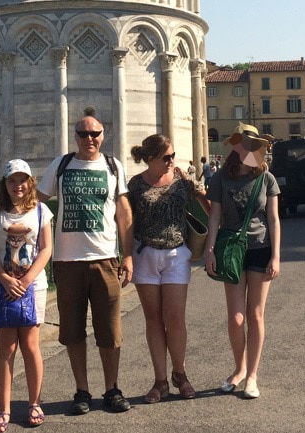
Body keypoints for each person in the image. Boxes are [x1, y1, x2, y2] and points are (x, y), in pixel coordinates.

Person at [37, 113, 134, 415]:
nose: (89, 139)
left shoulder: (113, 166)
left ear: (104, 135)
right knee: (72, 331)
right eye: (83, 134)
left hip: (105, 260)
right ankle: (82, 391)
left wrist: (128, 254)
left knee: (110, 331)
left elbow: (124, 214)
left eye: (95, 133)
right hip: (67, 262)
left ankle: (112, 389)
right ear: (75, 135)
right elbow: (35, 202)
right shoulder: (61, 165)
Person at [127, 134, 210, 404]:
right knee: (153, 319)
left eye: (172, 156)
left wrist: (192, 183)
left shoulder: (181, 182)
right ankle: (160, 380)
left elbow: (208, 204)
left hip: (176, 255)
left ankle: (180, 374)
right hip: (145, 255)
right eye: (166, 157)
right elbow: (127, 222)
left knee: (175, 319)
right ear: (150, 159)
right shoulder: (136, 185)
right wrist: (125, 254)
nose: (171, 161)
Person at [204, 122, 281, 399]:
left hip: (261, 248)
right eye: (245, 144)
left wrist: (276, 255)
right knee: (236, 318)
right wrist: (209, 250)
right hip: (231, 251)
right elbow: (214, 217)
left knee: (255, 314)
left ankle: (252, 375)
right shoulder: (221, 178)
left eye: (254, 145)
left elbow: (273, 218)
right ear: (236, 146)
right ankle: (239, 368)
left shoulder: (266, 178)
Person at [0, 159, 54, 431]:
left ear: (30, 182)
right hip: (2, 285)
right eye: (12, 181)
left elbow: (46, 249)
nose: (18, 185)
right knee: (7, 347)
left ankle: (34, 403)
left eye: (22, 180)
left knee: (31, 345)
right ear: (5, 184)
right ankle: (4, 409)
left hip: (32, 285)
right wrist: (4, 278)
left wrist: (25, 280)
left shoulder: (41, 211)